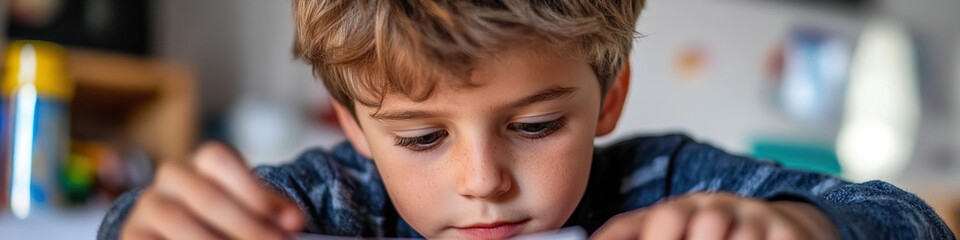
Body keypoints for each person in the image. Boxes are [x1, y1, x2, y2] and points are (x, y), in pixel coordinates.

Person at [98, 1, 954, 239]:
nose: (481, 183)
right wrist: (144, 226)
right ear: (356, 130)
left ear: (607, 96)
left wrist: (799, 227)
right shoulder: (336, 202)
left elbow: (911, 222)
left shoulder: (661, 187)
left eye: (536, 125)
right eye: (422, 138)